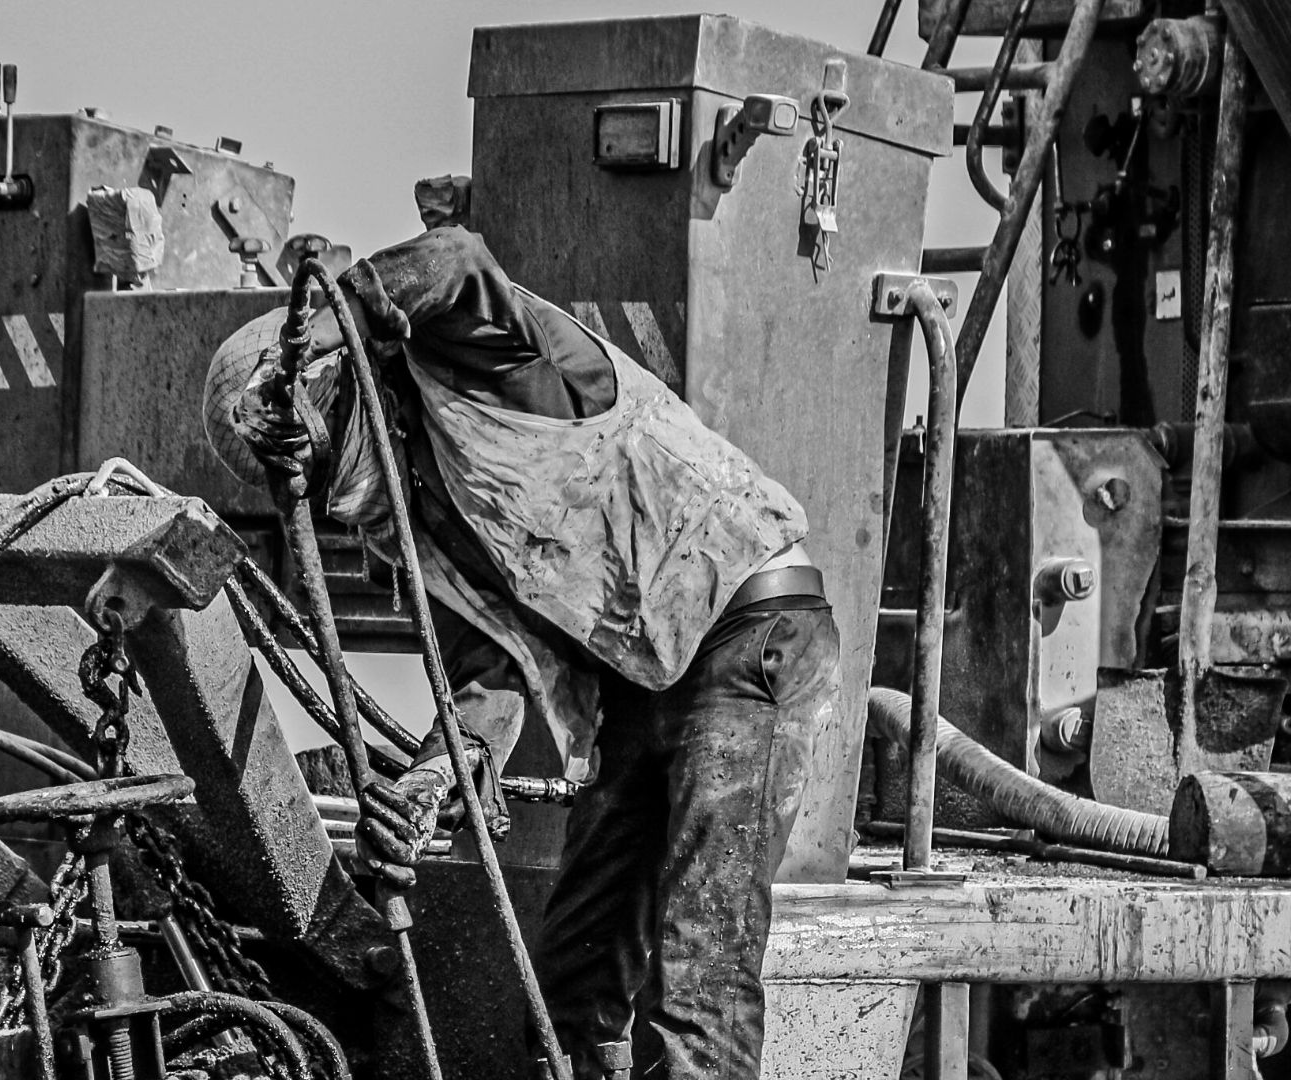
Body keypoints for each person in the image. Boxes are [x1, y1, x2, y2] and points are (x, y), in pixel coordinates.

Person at [218, 225, 841, 1080]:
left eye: (313, 451)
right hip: (646, 682)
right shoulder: (422, 522)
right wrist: (440, 773)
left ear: (342, 387)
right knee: (572, 989)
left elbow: (455, 259)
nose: (326, 493)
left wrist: (333, 314)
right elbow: (488, 670)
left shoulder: (489, 365)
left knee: (700, 976)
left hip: (747, 634)